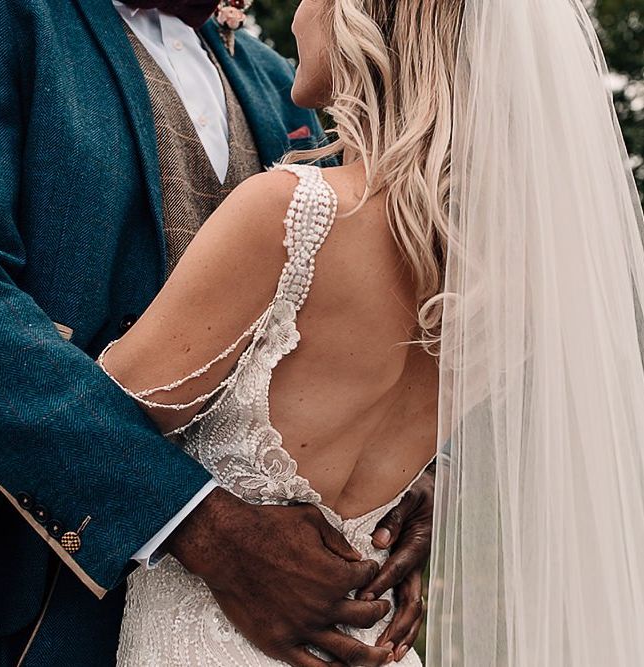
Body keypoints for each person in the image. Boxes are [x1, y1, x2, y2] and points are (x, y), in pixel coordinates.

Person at [0, 1, 434, 666]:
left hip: (300, 606)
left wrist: (399, 486)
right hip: (52, 577)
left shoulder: (284, 79)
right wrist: (197, 521)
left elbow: (382, 291)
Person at [98, 0, 444, 664]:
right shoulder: (502, 271)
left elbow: (104, 416)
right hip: (363, 635)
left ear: (360, 19)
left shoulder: (291, 210)